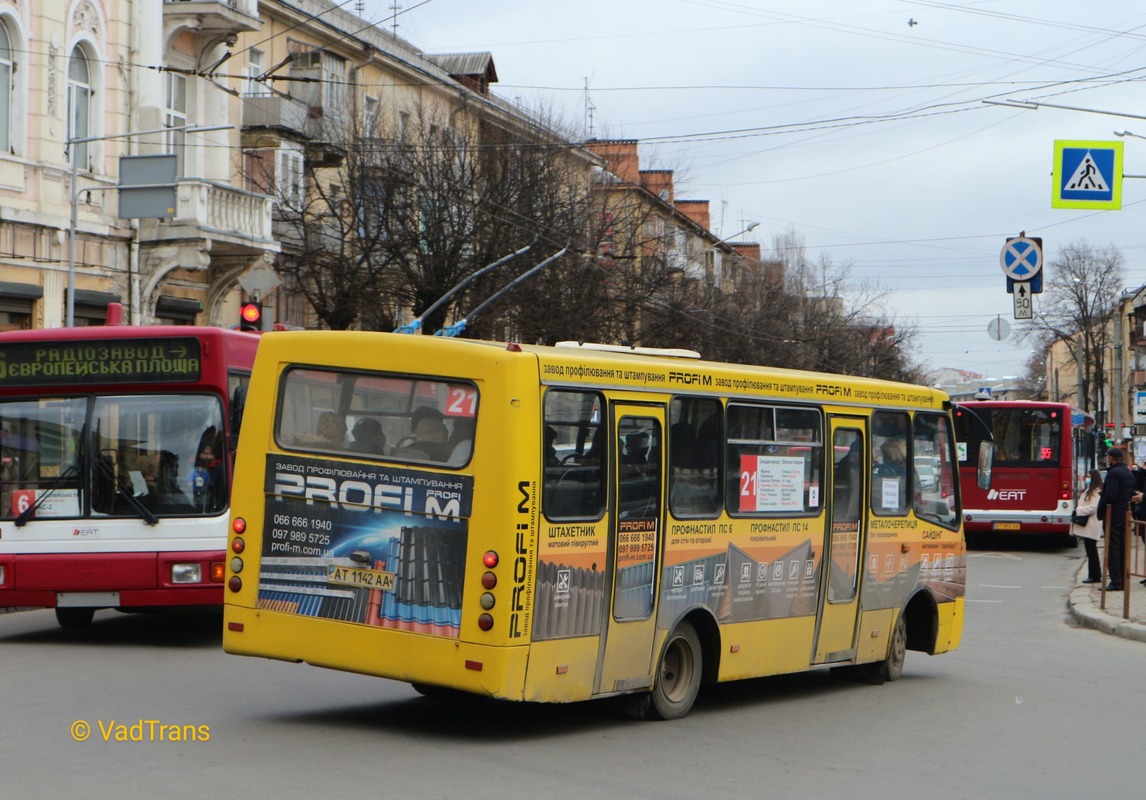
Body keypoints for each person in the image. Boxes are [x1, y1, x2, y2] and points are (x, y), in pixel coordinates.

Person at [1096, 447, 1142, 591]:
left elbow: (1110, 495)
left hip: (1113, 514)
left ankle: (1116, 581)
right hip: (1124, 514)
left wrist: (1100, 508)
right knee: (1122, 547)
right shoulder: (1127, 472)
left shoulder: (1114, 473)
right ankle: (1122, 578)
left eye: (1108, 456)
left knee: (1113, 548)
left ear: (1111, 458)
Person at [1072, 468, 1104, 584]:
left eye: (1089, 477)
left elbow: (1093, 507)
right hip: (1087, 525)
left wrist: (1078, 510)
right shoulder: (1089, 490)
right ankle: (1093, 574)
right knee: (1090, 551)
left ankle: (1095, 575)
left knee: (1092, 551)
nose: (1087, 479)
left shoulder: (1096, 491)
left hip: (1091, 524)